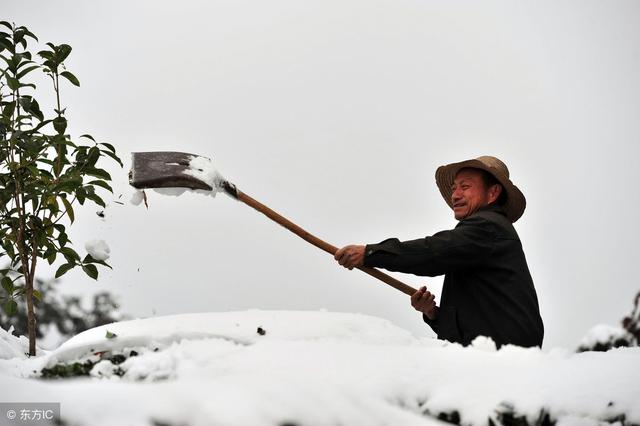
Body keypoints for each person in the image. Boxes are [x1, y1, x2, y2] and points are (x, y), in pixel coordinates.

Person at [334, 156, 544, 348]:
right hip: (490, 359)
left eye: (465, 186)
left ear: (492, 193)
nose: (455, 195)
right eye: (454, 188)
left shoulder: (488, 227)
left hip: (502, 364)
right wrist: (433, 314)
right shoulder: (479, 240)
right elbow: (474, 323)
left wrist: (370, 253)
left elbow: (432, 252)